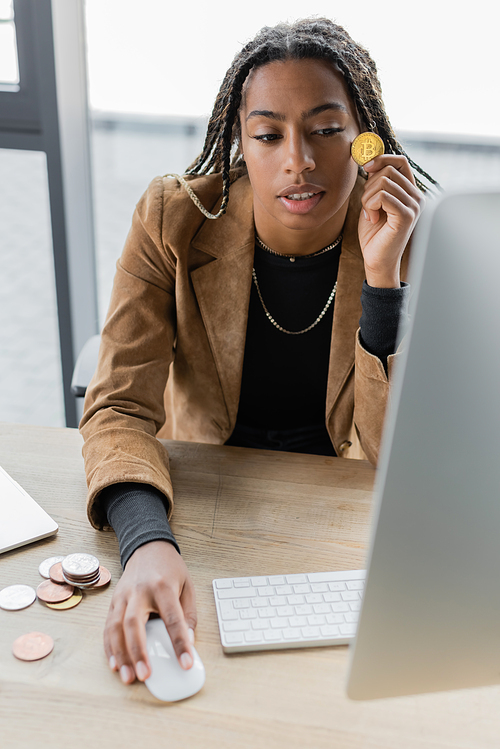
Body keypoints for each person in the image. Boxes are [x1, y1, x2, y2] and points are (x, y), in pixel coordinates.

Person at [80, 17, 436, 687]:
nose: (297, 159)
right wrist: (147, 541)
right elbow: (120, 407)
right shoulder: (172, 220)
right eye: (269, 135)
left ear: (365, 141)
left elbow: (398, 460)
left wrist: (384, 282)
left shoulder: (411, 235)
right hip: (199, 506)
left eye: (326, 130)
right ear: (240, 143)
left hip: (334, 522)